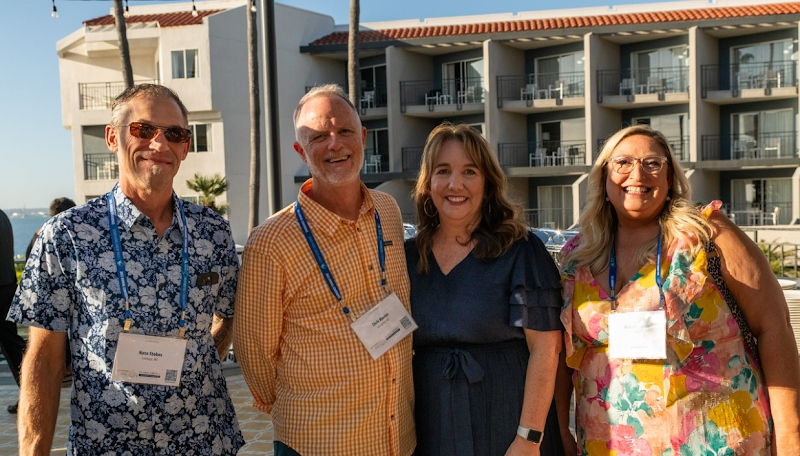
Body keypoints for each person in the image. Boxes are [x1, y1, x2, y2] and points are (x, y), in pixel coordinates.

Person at [10, 83, 244, 455]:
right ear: (112, 138)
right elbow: (43, 360)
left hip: (204, 442)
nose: (159, 143)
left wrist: (192, 367)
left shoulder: (212, 231)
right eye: (143, 129)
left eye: (174, 133)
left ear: (185, 146)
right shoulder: (67, 235)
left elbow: (228, 314)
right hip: (106, 445)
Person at [557, 124, 800, 455]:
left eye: (653, 163)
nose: (637, 173)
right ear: (603, 177)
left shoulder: (707, 233)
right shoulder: (576, 256)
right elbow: (558, 355)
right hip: (608, 444)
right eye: (623, 162)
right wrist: (558, 430)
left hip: (717, 442)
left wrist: (791, 437)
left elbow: (774, 325)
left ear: (670, 177)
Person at [233, 84, 415, 456]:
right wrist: (302, 404)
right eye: (318, 136)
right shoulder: (270, 242)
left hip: (399, 435)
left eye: (345, 130)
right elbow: (255, 356)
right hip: (320, 441)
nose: (335, 143)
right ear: (301, 151)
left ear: (362, 137)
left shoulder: (389, 211)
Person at [406, 123, 565, 456]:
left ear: (488, 182)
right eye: (443, 171)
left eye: (469, 171)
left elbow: (546, 350)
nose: (455, 184)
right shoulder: (407, 257)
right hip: (432, 429)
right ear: (429, 183)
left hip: (508, 427)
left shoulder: (521, 250)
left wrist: (529, 437)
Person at [0, 209, 25, 412]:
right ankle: (31, 395)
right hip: (7, 285)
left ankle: (30, 396)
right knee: (13, 345)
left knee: (12, 346)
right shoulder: (3, 216)